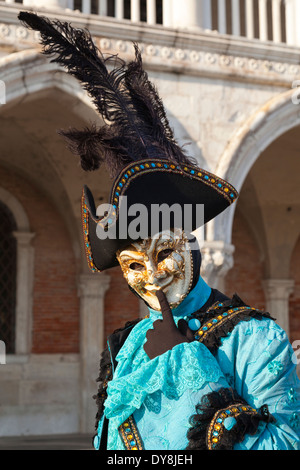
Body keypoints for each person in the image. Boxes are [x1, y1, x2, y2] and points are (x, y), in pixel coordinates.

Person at [19, 11, 300, 451]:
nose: (150, 276)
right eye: (132, 264)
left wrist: (187, 364)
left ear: (191, 243)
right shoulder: (125, 344)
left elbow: (284, 443)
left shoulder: (255, 338)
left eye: (164, 253)